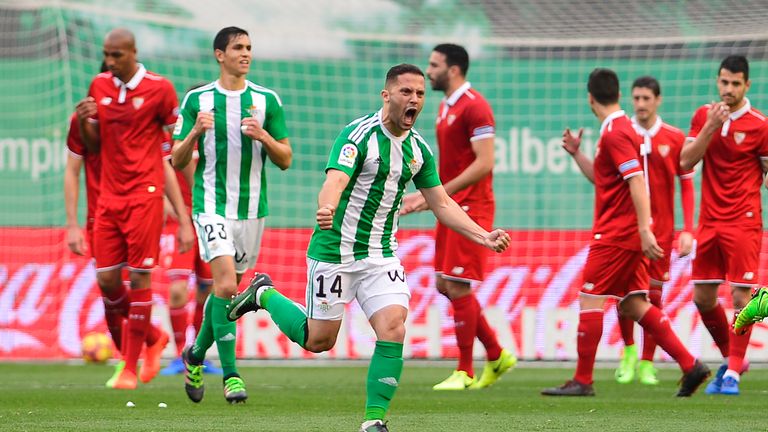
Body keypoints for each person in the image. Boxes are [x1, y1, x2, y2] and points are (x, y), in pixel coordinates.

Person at [226, 63, 511, 432]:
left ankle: (373, 420)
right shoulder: (358, 136)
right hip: (335, 252)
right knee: (319, 340)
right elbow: (336, 180)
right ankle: (264, 294)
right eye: (406, 92)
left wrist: (482, 235)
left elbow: (441, 202)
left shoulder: (418, 150)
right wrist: (326, 205)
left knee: (394, 328)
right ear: (387, 94)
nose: (414, 100)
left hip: (381, 256)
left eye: (420, 94)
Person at [541, 68, 709, 397]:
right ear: (619, 95)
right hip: (628, 234)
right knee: (634, 304)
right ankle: (691, 365)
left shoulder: (616, 133)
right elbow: (606, 181)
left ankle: (583, 380)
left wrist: (645, 229)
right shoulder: (621, 130)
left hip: (616, 235)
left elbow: (636, 182)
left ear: (590, 98)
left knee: (590, 298)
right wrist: (577, 153)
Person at [171, 26, 292, 404]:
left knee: (228, 295)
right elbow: (175, 160)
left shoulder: (267, 100)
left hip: (253, 210)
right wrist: (194, 134)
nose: (246, 53)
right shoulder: (197, 99)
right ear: (219, 54)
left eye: (249, 47)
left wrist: (264, 138)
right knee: (224, 286)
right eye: (238, 47)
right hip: (210, 205)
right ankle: (232, 375)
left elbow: (286, 159)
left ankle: (194, 354)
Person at [75, 28, 195, 389]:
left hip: (145, 196)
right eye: (106, 55)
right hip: (109, 199)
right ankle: (154, 336)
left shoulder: (160, 89)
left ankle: (129, 366)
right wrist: (84, 120)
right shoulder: (99, 86)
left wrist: (185, 214)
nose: (110, 62)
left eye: (116, 55)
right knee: (108, 281)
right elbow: (94, 146)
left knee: (140, 278)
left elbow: (171, 154)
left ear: (133, 52)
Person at [399, 43, 515, 390]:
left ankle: (464, 371)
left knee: (457, 284)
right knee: (443, 283)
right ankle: (496, 354)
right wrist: (431, 195)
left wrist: (439, 194)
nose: (428, 71)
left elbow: (485, 163)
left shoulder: (475, 106)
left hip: (470, 206)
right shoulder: (445, 106)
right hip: (450, 204)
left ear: (453, 70)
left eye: (434, 65)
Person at [680, 55, 768, 395]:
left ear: (747, 85)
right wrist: (710, 128)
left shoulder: (760, 124)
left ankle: (732, 373)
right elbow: (686, 161)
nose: (728, 89)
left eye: (735, 83)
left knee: (740, 296)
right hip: (710, 221)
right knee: (703, 298)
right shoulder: (704, 115)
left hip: (744, 221)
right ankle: (734, 356)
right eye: (723, 82)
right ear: (717, 82)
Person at [158, 137, 222, 376]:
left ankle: (198, 353)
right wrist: (163, 201)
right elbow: (156, 171)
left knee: (208, 290)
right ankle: (177, 356)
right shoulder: (170, 137)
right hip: (178, 221)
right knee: (177, 290)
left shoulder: (214, 137)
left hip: (208, 219)